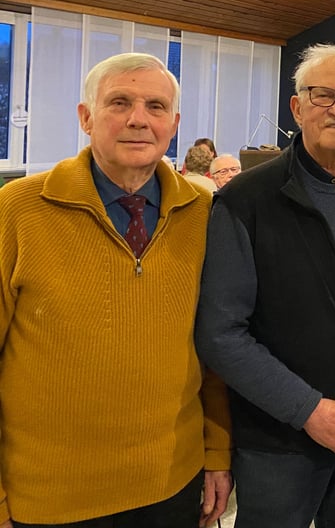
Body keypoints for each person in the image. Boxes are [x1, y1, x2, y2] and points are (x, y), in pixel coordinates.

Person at [0, 52, 231, 526]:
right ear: (86, 117)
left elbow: (214, 349)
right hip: (48, 499)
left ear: (175, 124)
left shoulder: (203, 214)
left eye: (155, 106)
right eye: (119, 102)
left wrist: (218, 452)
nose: (137, 119)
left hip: (172, 486)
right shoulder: (18, 210)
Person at [194, 43, 335, 528]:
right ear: (296, 107)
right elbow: (221, 333)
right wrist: (309, 410)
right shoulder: (246, 201)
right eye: (322, 95)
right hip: (277, 442)